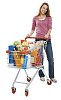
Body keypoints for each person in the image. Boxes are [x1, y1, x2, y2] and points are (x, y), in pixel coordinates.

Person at [26, 2, 57, 83]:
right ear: (40, 8)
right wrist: (29, 34)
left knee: (50, 58)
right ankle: (42, 75)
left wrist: (47, 34)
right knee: (40, 59)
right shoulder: (35, 18)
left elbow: (50, 28)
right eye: (43, 8)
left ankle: (52, 76)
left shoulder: (49, 18)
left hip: (47, 40)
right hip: (38, 40)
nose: (44, 9)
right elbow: (33, 29)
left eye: (46, 9)